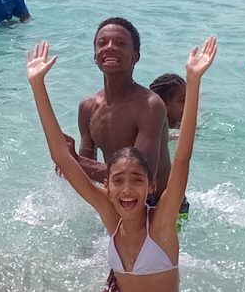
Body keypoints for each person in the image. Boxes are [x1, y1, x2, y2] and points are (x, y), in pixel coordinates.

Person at [29, 37, 215, 292]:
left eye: (137, 180)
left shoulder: (162, 223)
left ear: (151, 186)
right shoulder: (111, 218)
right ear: (107, 186)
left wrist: (194, 80)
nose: (127, 189)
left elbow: (183, 159)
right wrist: (37, 85)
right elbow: (62, 157)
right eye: (118, 180)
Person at [67, 19, 169, 201]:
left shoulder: (149, 105)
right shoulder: (88, 107)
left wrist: (74, 160)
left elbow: (141, 174)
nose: (109, 47)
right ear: (95, 55)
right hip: (121, 201)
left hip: (160, 204)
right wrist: (66, 159)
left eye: (120, 43)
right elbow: (86, 176)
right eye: (102, 43)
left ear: (135, 56)